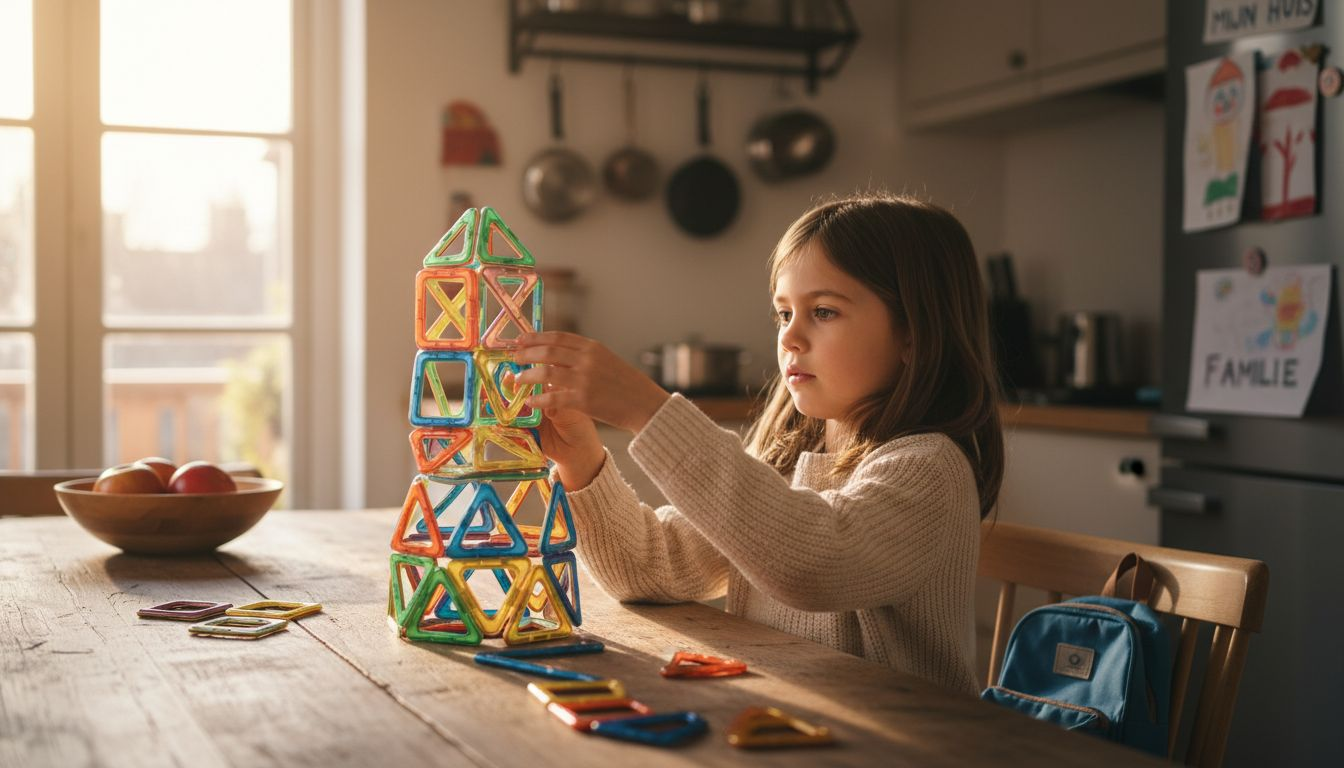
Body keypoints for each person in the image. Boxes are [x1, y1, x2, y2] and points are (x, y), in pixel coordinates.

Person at [511, 192, 1003, 695]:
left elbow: (813, 565)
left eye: (825, 312)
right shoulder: (784, 465)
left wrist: (647, 410)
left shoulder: (930, 470)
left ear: (913, 336)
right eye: (783, 314)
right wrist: (580, 459)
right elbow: (651, 566)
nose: (790, 337)